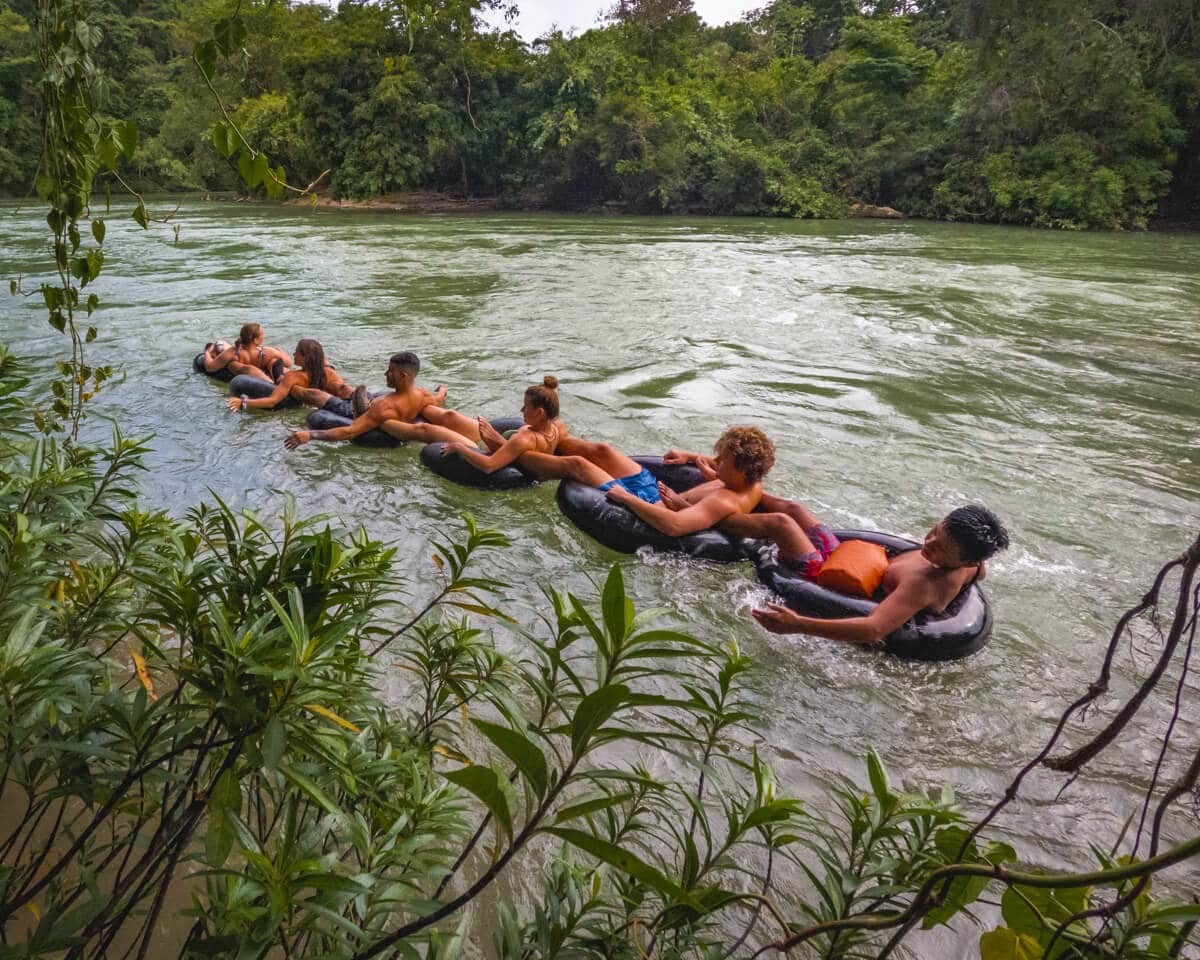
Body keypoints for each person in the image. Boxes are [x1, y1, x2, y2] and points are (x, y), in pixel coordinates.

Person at [748, 503, 1010, 647]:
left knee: (780, 524)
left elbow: (873, 629)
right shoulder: (976, 568)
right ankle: (723, 481)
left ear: (967, 560)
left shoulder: (921, 585)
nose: (927, 543)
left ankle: (711, 518)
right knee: (794, 510)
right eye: (934, 532)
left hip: (827, 578)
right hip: (852, 559)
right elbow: (977, 574)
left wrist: (798, 624)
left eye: (940, 547)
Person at [283, 351, 466, 449]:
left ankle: (286, 379)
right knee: (352, 391)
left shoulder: (383, 406)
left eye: (390, 371)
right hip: (386, 412)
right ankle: (355, 396)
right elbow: (438, 399)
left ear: (403, 376)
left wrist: (311, 435)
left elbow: (349, 432)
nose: (386, 374)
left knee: (320, 397)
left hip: (366, 413)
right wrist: (443, 390)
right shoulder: (422, 395)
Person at [436, 377, 568, 473]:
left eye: (526, 407)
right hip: (531, 472)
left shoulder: (525, 437)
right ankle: (494, 439)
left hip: (512, 472)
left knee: (451, 421)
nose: (522, 410)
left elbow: (488, 466)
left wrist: (460, 448)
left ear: (539, 412)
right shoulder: (555, 429)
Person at [226, 338, 352, 413]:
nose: (293, 354)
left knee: (279, 372)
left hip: (297, 406)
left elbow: (272, 402)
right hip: (323, 408)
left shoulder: (293, 377)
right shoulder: (330, 373)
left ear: (305, 358)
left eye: (296, 352)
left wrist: (243, 402)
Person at [204, 323, 293, 382]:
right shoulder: (269, 352)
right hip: (261, 372)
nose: (263, 337)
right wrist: (279, 349)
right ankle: (276, 381)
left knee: (232, 364)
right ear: (255, 340)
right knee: (274, 361)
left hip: (245, 372)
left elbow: (210, 367)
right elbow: (288, 362)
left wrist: (207, 352)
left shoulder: (232, 352)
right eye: (262, 335)